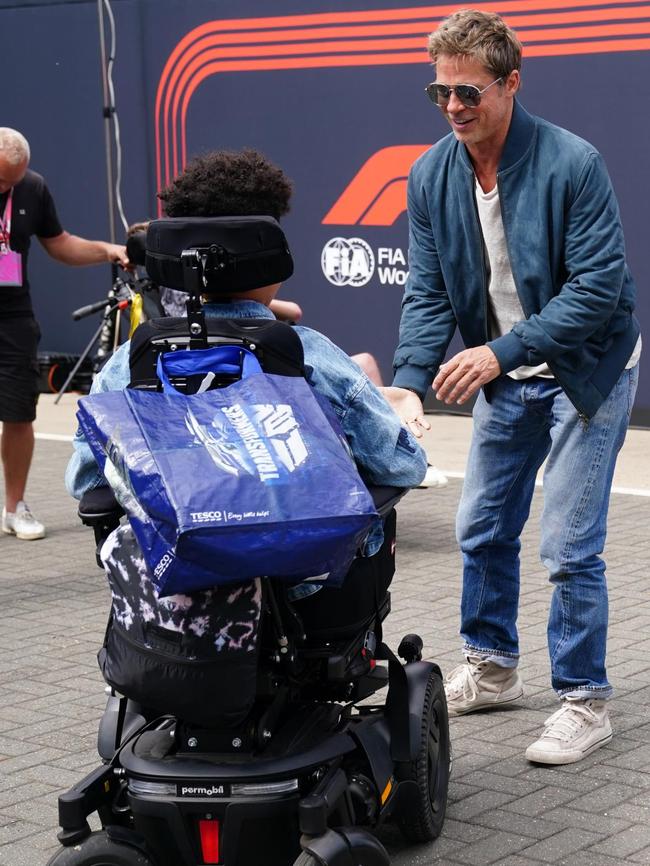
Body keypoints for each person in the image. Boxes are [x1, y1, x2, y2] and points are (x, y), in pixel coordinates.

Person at [383, 10, 641, 764]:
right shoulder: (431, 173)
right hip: (510, 370)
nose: (454, 107)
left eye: (470, 92)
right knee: (483, 528)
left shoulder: (572, 162)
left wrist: (500, 353)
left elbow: (597, 290)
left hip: (585, 369)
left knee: (566, 541)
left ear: (510, 83)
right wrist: (406, 386)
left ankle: (585, 700)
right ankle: (492, 669)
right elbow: (428, 290)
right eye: (440, 93)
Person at [66, 148, 427, 521]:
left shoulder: (130, 362)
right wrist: (394, 414)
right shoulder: (310, 355)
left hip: (175, 569)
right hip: (308, 571)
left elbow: (85, 479)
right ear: (273, 255)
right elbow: (401, 467)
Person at [0, 127, 128, 540]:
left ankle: (15, 506)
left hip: (13, 315)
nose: (6, 186)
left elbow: (59, 244)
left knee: (19, 412)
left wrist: (107, 250)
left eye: (12, 180)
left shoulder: (32, 188)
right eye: (0, 178)